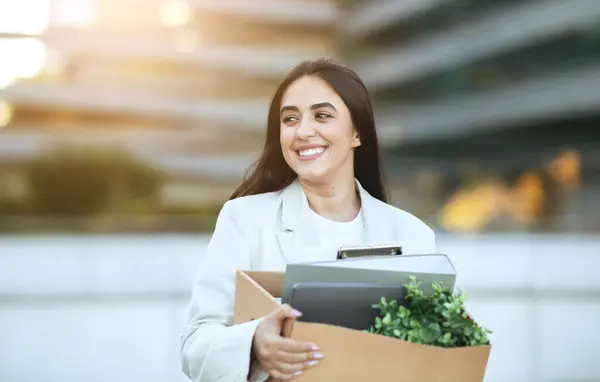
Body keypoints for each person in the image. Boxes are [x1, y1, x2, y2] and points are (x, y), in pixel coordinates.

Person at [180, 58, 435, 382]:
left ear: (357, 132)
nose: (303, 131)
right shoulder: (244, 219)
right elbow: (195, 345)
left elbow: (431, 353)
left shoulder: (413, 237)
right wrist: (254, 343)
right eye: (290, 119)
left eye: (322, 115)